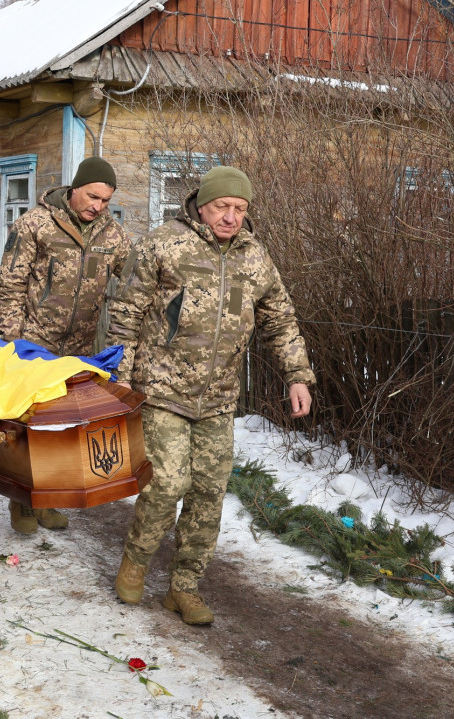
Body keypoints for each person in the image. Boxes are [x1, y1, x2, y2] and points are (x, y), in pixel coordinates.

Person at [107, 165, 314, 625]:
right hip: (162, 389)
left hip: (219, 397)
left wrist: (297, 375)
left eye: (240, 209)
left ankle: (184, 587)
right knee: (167, 483)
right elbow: (125, 313)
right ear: (202, 204)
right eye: (223, 206)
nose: (231, 217)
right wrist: (118, 381)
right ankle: (136, 561)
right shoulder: (164, 244)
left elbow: (281, 319)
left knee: (208, 493)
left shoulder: (255, 257)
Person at [0, 155, 133, 534]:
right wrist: (14, 340)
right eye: (91, 197)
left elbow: (139, 276)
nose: (97, 206)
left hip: (78, 348)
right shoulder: (34, 224)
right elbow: (9, 284)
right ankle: (21, 502)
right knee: (27, 427)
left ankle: (48, 499)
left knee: (61, 428)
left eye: (105, 201)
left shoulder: (113, 235)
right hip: (34, 343)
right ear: (74, 189)